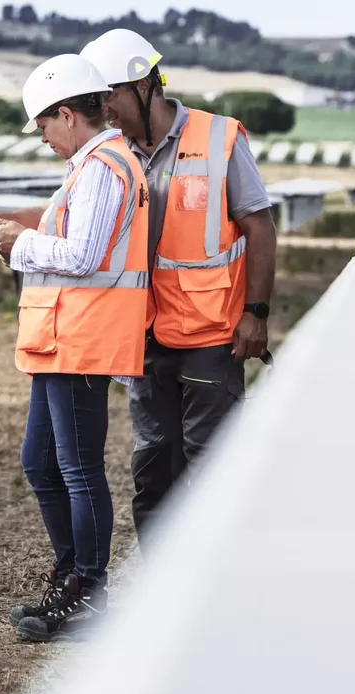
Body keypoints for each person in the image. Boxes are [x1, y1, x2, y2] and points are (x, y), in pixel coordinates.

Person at [0, 54, 150, 643]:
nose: (43, 139)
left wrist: (21, 240)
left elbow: (82, 256)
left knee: (78, 471)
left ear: (68, 114)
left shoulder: (103, 168)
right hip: (64, 339)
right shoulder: (92, 166)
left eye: (43, 127)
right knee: (41, 464)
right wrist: (5, 230)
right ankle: (72, 577)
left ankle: (87, 591)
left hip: (84, 338)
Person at [78, 29, 278, 545]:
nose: (105, 110)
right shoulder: (111, 152)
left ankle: (221, 593)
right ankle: (160, 602)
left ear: (146, 85)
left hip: (212, 335)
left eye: (110, 97)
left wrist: (256, 312)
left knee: (212, 468)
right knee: (153, 473)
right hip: (140, 339)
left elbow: (259, 226)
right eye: (96, 102)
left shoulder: (218, 138)